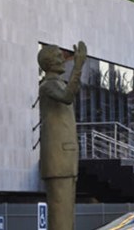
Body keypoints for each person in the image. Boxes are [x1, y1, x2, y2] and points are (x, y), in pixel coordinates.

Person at [37, 41, 87, 230]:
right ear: (49, 62)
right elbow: (67, 97)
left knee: (67, 219)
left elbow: (69, 93)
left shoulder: (57, 84)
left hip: (66, 160)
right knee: (61, 219)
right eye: (59, 56)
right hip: (58, 160)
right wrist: (78, 66)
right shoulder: (48, 86)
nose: (64, 60)